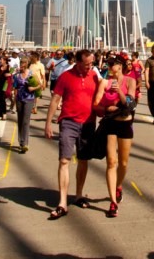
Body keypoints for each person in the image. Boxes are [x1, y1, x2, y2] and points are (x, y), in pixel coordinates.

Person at [44, 49, 105, 219]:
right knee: (64, 160)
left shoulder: (94, 75)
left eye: (91, 64)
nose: (89, 67)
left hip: (88, 124)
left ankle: (78, 195)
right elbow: (55, 100)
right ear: (77, 62)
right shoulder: (65, 77)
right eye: (86, 64)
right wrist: (48, 123)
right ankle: (62, 202)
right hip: (69, 122)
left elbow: (102, 94)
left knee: (83, 160)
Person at [93, 57, 137, 217]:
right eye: (108, 64)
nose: (110, 67)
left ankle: (118, 186)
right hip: (110, 123)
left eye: (112, 64)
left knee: (123, 163)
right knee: (112, 162)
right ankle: (113, 202)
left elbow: (130, 104)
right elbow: (96, 104)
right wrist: (105, 109)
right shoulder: (104, 82)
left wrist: (119, 90)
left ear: (120, 66)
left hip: (125, 123)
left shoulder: (130, 81)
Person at [13, 56, 37, 153]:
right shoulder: (17, 75)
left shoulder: (31, 74)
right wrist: (14, 99)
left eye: (23, 64)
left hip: (29, 99)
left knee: (26, 121)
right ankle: (21, 140)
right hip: (19, 98)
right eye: (20, 64)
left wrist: (33, 88)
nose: (21, 66)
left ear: (26, 64)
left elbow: (39, 85)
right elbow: (15, 87)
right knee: (20, 120)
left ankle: (25, 143)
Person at [0, 54, 11, 120]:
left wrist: (9, 74)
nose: (0, 61)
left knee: (2, 99)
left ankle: (4, 113)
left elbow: (13, 73)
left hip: (5, 84)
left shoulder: (9, 67)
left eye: (1, 59)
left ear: (5, 61)